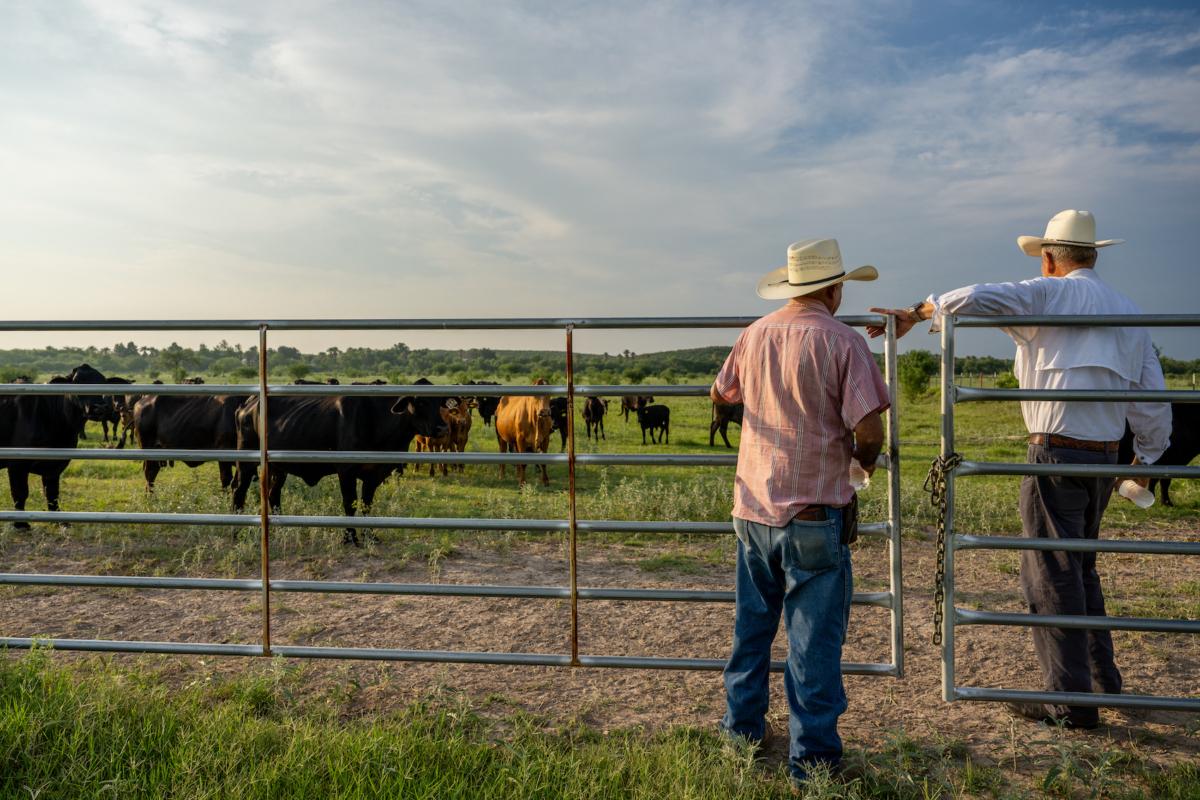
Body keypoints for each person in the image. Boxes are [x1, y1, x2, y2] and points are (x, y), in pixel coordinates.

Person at [867, 209, 1171, 729]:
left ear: (1050, 259)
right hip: (1105, 457)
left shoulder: (1047, 295)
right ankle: (1101, 681)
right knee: (1081, 567)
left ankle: (1069, 703)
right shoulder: (1128, 311)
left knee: (1050, 574)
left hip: (1054, 452)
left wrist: (919, 313)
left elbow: (970, 296)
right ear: (1094, 255)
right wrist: (1144, 458)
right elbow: (1151, 399)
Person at [713, 238, 889, 784]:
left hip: (753, 509)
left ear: (792, 286)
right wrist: (860, 470)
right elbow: (869, 428)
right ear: (834, 289)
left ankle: (741, 736)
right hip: (813, 513)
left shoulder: (754, 333)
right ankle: (812, 764)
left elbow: (722, 394)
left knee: (751, 631)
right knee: (813, 644)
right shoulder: (843, 342)